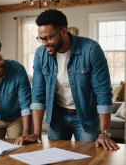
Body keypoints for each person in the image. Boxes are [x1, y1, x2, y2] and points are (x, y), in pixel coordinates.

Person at [15, 9, 120, 150]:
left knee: (87, 158)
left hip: (86, 115)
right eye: (41, 38)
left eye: (48, 38)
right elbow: (38, 94)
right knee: (56, 158)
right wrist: (36, 133)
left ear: (63, 31)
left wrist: (104, 133)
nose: (44, 43)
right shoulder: (40, 54)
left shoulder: (91, 50)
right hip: (56, 115)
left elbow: (103, 92)